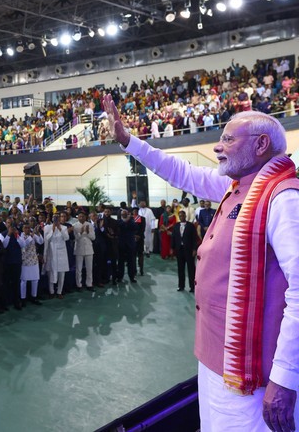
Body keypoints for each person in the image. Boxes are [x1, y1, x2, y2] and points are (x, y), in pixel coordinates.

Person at [105, 94, 299, 431]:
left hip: (253, 373)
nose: (217, 147)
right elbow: (181, 172)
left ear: (261, 144)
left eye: (227, 138)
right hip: (216, 359)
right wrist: (128, 141)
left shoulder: (283, 198)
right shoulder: (237, 186)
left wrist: (286, 376)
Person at [171, 211, 199, 293]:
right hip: (179, 250)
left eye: (182, 215)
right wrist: (172, 248)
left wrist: (194, 249)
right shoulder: (176, 226)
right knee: (180, 269)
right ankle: (181, 286)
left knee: (191, 269)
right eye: (180, 216)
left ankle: (192, 287)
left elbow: (194, 238)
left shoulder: (191, 226)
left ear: (185, 216)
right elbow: (173, 237)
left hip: (189, 250)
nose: (181, 217)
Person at [44, 215, 69, 299]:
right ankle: (51, 291)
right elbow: (47, 239)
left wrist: (60, 228)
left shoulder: (64, 227)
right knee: (51, 273)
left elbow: (66, 238)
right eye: (54, 218)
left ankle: (59, 292)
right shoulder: (47, 227)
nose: (56, 219)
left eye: (58, 218)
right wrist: (53, 229)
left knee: (61, 274)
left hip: (62, 253)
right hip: (52, 253)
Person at [19, 223, 44, 304]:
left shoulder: (32, 234)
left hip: (34, 260)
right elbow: (23, 244)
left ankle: (34, 297)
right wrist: (31, 236)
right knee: (24, 281)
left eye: (28, 228)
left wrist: (38, 233)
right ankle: (23, 299)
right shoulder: (20, 236)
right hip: (25, 261)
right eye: (25, 228)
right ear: (22, 229)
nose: (27, 229)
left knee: (35, 280)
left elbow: (41, 241)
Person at [73, 212, 96, 290]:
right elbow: (75, 238)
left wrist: (88, 232)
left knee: (89, 269)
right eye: (80, 216)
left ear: (85, 217)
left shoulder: (90, 225)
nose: (81, 218)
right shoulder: (75, 225)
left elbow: (93, 238)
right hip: (79, 249)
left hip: (89, 249)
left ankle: (89, 284)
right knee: (78, 269)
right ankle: (78, 285)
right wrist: (81, 232)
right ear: (78, 217)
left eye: (83, 216)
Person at [116, 209, 138, 283]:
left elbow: (135, 228)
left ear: (127, 214)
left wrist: (129, 220)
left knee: (131, 261)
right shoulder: (118, 221)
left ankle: (132, 277)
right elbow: (119, 227)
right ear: (121, 214)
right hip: (121, 244)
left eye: (125, 213)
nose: (124, 214)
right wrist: (126, 221)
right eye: (123, 213)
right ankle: (120, 277)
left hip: (130, 244)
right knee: (120, 261)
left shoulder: (132, 221)